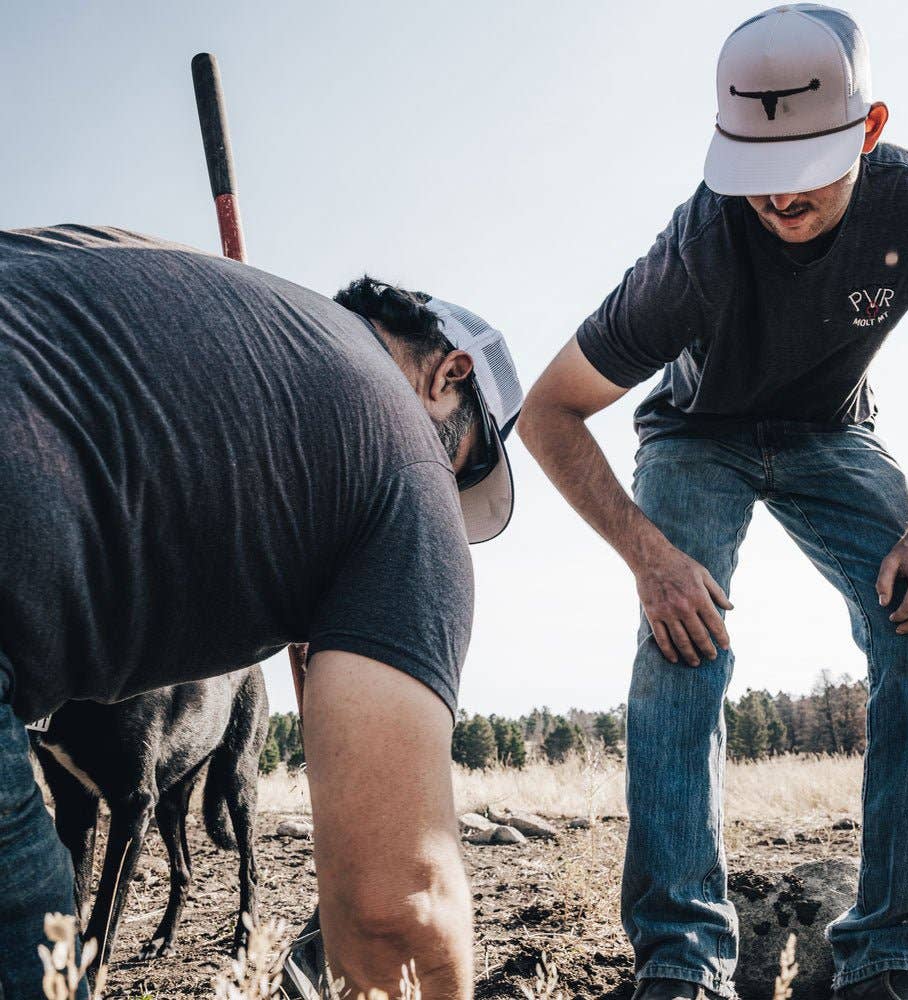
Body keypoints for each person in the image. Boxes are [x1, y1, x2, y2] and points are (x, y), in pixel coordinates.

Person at [518, 6, 908, 1000]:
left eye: (807, 165)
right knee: (681, 639)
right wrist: (649, 558)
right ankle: (682, 957)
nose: (776, 194)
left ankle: (896, 947)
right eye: (754, 168)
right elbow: (549, 411)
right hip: (697, 433)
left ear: (867, 131)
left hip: (833, 430)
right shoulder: (695, 247)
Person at [0, 224, 523, 1000]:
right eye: (471, 462)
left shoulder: (169, 275)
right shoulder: (409, 463)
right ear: (449, 375)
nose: (451, 490)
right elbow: (398, 920)